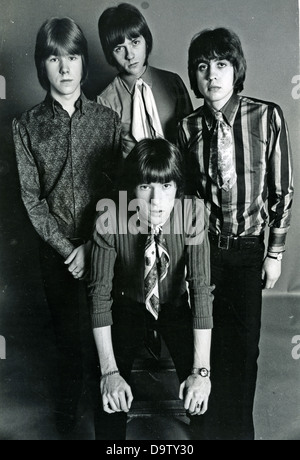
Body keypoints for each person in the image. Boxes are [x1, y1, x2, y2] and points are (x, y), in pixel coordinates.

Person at [178, 28, 294, 440]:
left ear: (236, 69)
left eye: (222, 64)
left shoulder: (266, 116)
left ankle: (239, 432)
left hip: (247, 249)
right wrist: (191, 260)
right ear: (195, 75)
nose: (213, 75)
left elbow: (282, 191)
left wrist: (275, 254)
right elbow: (188, 199)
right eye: (203, 67)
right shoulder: (188, 127)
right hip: (205, 249)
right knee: (206, 339)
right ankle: (206, 425)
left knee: (244, 350)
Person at [12, 17, 121, 434]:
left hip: (103, 248)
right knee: (67, 343)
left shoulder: (107, 120)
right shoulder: (26, 126)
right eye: (54, 58)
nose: (64, 68)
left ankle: (110, 430)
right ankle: (66, 427)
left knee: (104, 339)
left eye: (72, 57)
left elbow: (115, 191)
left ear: (83, 63)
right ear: (43, 65)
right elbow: (31, 199)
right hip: (55, 252)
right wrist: (67, 248)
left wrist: (93, 245)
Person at [88, 138, 214, 440]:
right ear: (133, 188)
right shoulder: (110, 215)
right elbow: (99, 294)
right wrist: (109, 374)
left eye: (167, 186)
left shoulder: (193, 212)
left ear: (178, 188)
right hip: (127, 303)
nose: (157, 200)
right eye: (146, 187)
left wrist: (201, 373)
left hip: (174, 302)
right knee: (108, 399)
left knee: (207, 398)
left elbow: (200, 289)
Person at [97, 2, 193, 159]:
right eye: (119, 48)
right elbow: (109, 161)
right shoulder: (105, 101)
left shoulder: (173, 83)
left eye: (135, 42)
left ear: (146, 41)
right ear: (110, 53)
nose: (130, 55)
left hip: (177, 178)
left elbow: (192, 139)